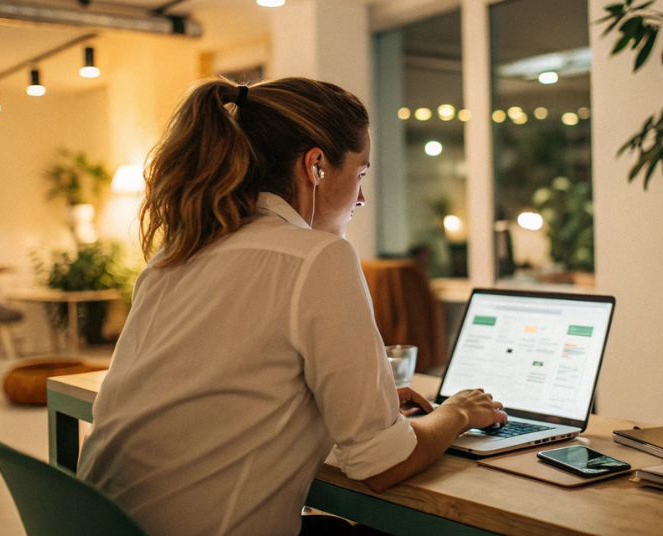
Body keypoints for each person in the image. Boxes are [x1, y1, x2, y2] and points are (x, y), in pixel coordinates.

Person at [77, 77, 507, 536]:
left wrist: (352, 400)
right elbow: (383, 464)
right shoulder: (318, 257)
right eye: (360, 174)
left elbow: (229, 394)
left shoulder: (178, 253)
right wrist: (457, 412)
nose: (361, 197)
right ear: (315, 166)